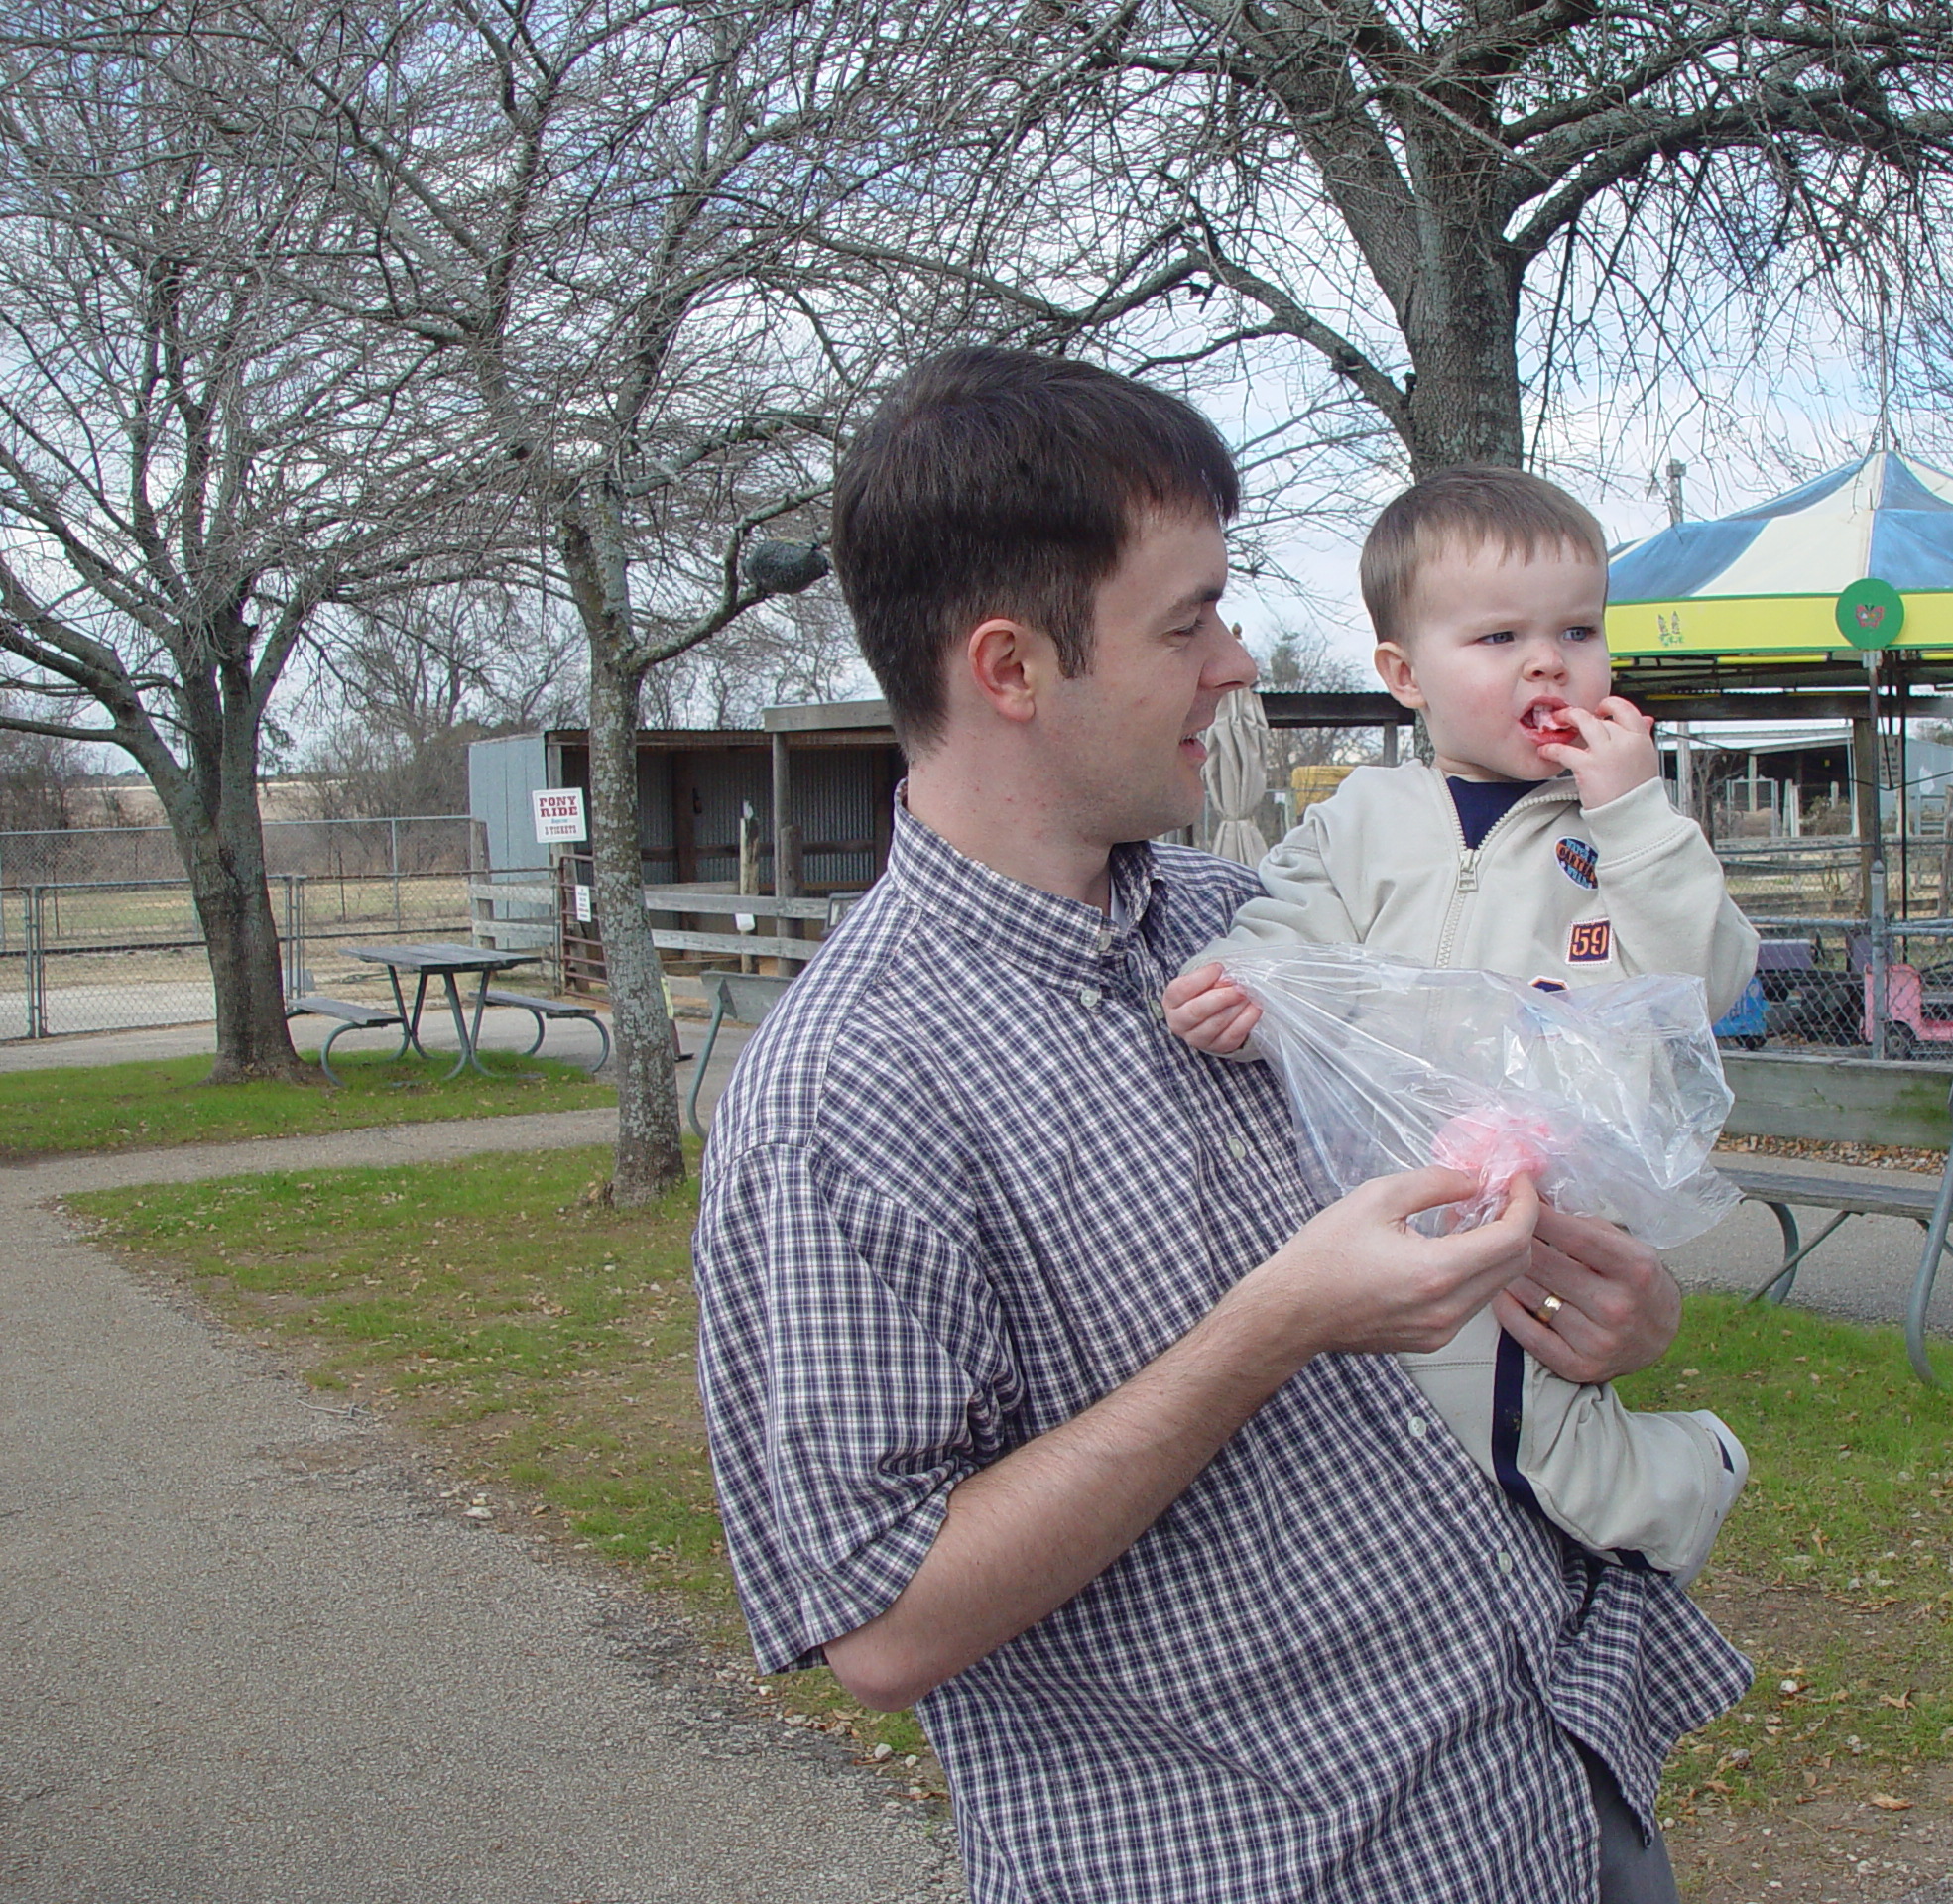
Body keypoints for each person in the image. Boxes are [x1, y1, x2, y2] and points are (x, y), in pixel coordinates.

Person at [691, 349, 1751, 1904]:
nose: (1241, 662)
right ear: (1010, 669)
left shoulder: (1260, 928)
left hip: (1548, 1790)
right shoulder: (847, 1091)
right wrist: (1270, 1330)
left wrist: (1603, 1306)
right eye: (1187, 622)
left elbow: (1524, 1136)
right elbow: (884, 1622)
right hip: (1264, 1865)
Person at [1166, 465, 1760, 1589]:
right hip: (1390, 1184)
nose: (1549, 662)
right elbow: (1289, 929)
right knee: (1409, 1429)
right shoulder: (1365, 816)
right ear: (1405, 676)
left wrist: (1635, 816)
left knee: (1531, 1429)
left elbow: (1705, 978)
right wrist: (1239, 986)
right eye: (1497, 638)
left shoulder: (1625, 829)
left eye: (1578, 630)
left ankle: (1687, 1473)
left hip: (1553, 1207)